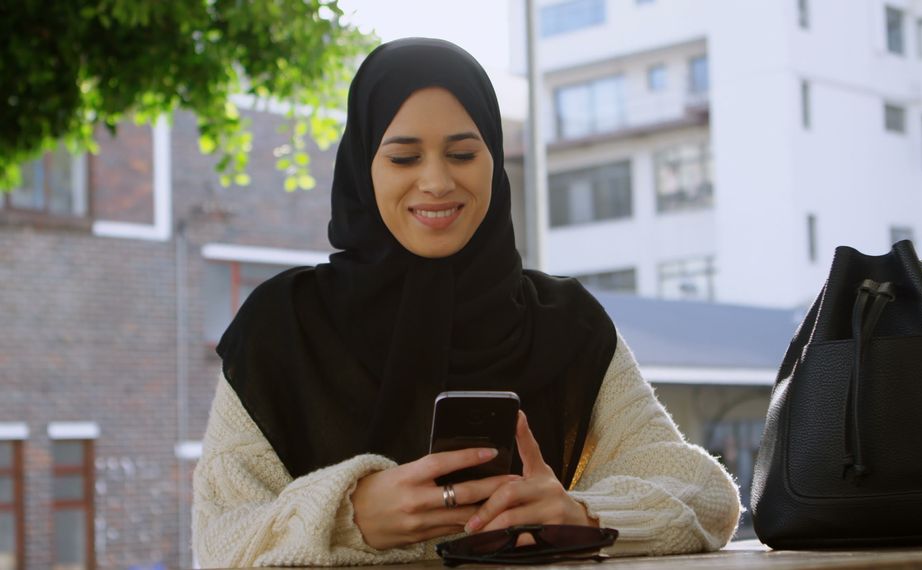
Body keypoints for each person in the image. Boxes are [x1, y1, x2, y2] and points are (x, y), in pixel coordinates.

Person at [192, 37, 741, 567]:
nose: (436, 181)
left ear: (494, 162)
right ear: (363, 169)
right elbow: (218, 541)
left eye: (461, 153)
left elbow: (706, 496)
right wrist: (347, 517)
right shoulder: (283, 327)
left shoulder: (565, 322)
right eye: (404, 158)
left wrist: (584, 514)